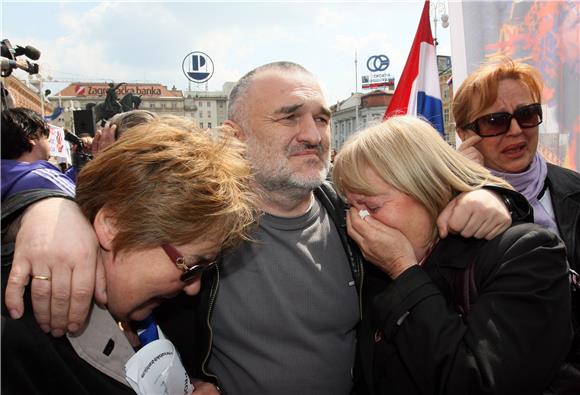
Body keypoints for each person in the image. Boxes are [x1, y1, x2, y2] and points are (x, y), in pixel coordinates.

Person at [5, 62, 524, 394]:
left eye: (321, 118)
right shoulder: (194, 224)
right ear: (233, 134)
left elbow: (444, 213)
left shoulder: (359, 221)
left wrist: (490, 195)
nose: (314, 134)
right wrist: (48, 207)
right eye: (289, 117)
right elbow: (112, 210)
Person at [1, 120, 256, 394]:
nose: (194, 288)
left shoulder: (147, 309)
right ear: (113, 226)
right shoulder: (14, 340)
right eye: (192, 267)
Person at [332, 115, 572, 394]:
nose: (358, 221)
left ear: (426, 188)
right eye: (351, 206)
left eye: (371, 207)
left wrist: (403, 270)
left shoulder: (527, 254)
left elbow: (478, 382)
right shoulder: (369, 263)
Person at [453, 57, 580, 383]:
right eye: (496, 121)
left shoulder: (574, 189)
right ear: (465, 134)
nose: (515, 131)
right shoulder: (446, 208)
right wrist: (461, 185)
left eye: (526, 115)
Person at [1, 107, 75, 201]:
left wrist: (77, 166)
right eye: (46, 137)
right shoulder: (44, 177)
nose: (49, 143)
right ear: (32, 137)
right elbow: (88, 206)